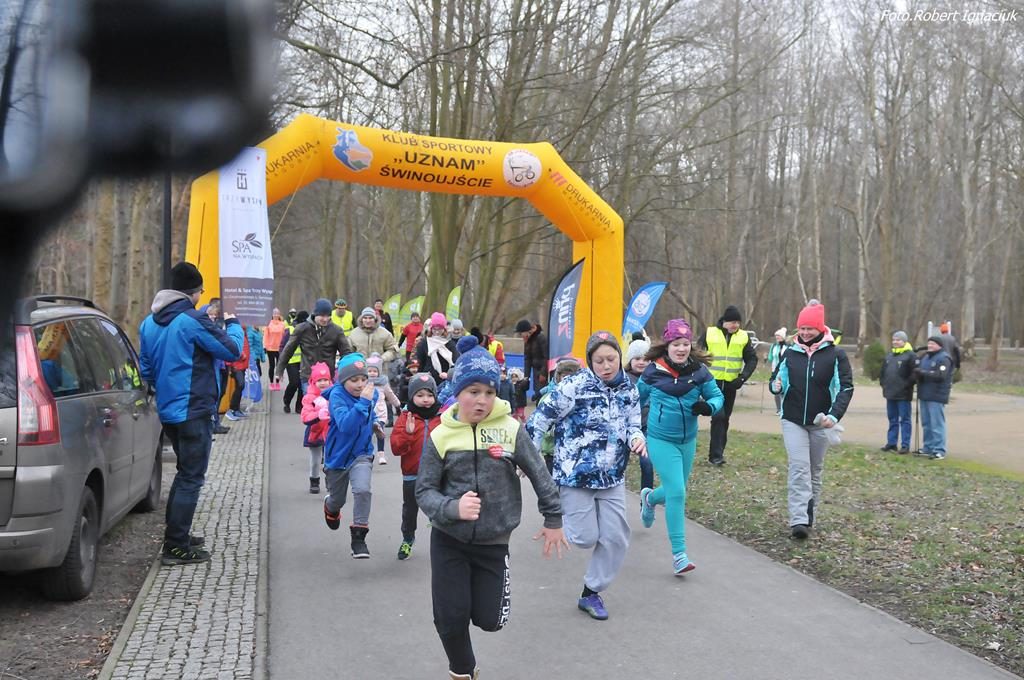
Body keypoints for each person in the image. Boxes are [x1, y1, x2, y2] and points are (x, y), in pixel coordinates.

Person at [415, 336, 567, 680]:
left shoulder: (510, 430)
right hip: (449, 538)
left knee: (490, 620)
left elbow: (539, 473)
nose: (482, 400)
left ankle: (474, 604)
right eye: (473, 391)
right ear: (458, 392)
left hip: (493, 542)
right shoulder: (441, 435)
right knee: (450, 617)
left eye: (489, 392)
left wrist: (553, 518)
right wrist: (452, 508)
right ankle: (463, 670)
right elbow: (424, 491)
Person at [527, 331, 645, 621]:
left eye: (611, 359)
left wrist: (636, 438)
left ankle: (591, 592)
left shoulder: (629, 389)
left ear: (619, 357)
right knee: (584, 537)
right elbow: (540, 418)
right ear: (590, 361)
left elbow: (633, 424)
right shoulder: (573, 386)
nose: (606, 366)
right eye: (599, 360)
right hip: (575, 476)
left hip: (612, 477)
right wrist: (528, 455)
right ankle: (558, 518)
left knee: (616, 538)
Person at [138, 262, 243, 566]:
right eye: (200, 291)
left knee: (184, 474)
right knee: (191, 478)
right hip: (194, 410)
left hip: (169, 410)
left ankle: (178, 534)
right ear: (194, 292)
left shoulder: (148, 323)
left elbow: (146, 369)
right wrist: (234, 323)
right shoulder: (192, 320)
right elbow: (232, 351)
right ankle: (175, 547)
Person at [636, 319, 724, 574]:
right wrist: (631, 430)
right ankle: (679, 555)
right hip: (660, 439)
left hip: (688, 440)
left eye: (685, 343)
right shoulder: (652, 372)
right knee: (677, 492)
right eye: (676, 344)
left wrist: (709, 407)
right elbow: (633, 401)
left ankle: (649, 498)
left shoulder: (699, 372)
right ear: (667, 345)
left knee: (676, 489)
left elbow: (717, 396)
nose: (681, 348)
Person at [769, 301, 854, 540]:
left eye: (810, 328)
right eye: (802, 328)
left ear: (820, 328)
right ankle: (798, 520)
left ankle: (809, 516)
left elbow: (846, 387)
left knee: (814, 471)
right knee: (799, 468)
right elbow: (775, 379)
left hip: (821, 421)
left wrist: (834, 415)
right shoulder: (790, 352)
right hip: (793, 419)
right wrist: (775, 386)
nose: (805, 333)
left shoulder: (836, 354)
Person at [322, 353, 380, 558]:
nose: (360, 384)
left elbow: (369, 415)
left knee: (363, 490)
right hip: (338, 457)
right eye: (354, 380)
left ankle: (359, 538)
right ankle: (330, 507)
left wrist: (376, 424)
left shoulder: (370, 394)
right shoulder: (337, 396)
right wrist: (363, 403)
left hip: (361, 454)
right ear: (343, 380)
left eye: (363, 379)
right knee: (337, 500)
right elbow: (346, 425)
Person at [389, 373, 441, 560]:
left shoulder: (442, 418)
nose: (425, 399)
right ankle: (407, 539)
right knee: (410, 512)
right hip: (412, 475)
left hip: (437, 476)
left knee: (438, 511)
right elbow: (396, 448)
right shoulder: (406, 417)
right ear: (412, 396)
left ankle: (444, 543)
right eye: (420, 395)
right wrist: (408, 434)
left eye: (429, 395)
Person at [697, 305, 757, 466]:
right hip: (712, 383)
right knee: (718, 416)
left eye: (738, 322)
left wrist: (743, 377)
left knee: (724, 419)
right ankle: (716, 456)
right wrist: (700, 375)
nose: (735, 325)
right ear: (724, 321)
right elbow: (697, 354)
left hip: (731, 384)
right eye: (732, 322)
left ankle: (718, 454)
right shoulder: (710, 333)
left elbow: (752, 359)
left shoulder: (743, 337)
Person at [276, 298, 353, 390]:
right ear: (315, 314)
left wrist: (348, 373)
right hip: (308, 377)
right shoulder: (302, 329)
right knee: (309, 399)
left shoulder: (336, 331)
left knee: (326, 399)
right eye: (322, 316)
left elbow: (346, 353)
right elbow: (288, 350)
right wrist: (279, 370)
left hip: (327, 378)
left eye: (328, 316)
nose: (325, 319)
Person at [536, 358, 583, 475]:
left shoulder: (583, 399)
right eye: (564, 376)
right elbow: (538, 424)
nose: (568, 380)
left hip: (575, 451)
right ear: (558, 377)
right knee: (553, 481)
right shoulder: (549, 398)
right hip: (552, 450)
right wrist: (552, 431)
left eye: (572, 377)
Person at [915, 336, 953, 460]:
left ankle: (939, 449)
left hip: (937, 395)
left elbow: (941, 375)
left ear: (939, 345)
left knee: (936, 424)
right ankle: (928, 447)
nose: (930, 346)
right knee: (926, 423)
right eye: (929, 343)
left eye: (933, 344)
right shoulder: (925, 357)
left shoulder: (944, 358)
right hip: (924, 394)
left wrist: (923, 373)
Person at [623, 337, 654, 495]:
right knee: (619, 464)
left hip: (646, 426)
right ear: (630, 360)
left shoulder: (655, 378)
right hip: (625, 427)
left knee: (647, 463)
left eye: (645, 359)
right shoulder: (622, 379)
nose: (641, 362)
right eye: (637, 359)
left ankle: (646, 497)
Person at [879, 331, 915, 454]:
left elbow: (914, 374)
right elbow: (883, 371)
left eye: (898, 340)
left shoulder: (910, 356)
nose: (895, 342)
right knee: (892, 419)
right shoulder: (889, 355)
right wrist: (883, 383)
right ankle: (891, 443)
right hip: (890, 392)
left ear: (904, 341)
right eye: (894, 340)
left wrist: (906, 385)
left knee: (905, 419)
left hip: (903, 394)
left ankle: (905, 445)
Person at [300, 362, 333, 494]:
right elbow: (305, 416)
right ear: (313, 381)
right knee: (316, 459)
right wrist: (318, 415)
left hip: (331, 431)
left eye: (325, 380)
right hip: (315, 430)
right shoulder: (309, 397)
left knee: (331, 458)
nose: (323, 383)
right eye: (319, 380)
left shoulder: (334, 394)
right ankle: (314, 480)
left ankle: (330, 480)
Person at [366, 354, 401, 465]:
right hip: (367, 413)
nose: (372, 373)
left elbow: (390, 395)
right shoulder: (364, 383)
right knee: (367, 434)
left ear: (379, 372)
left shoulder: (383, 383)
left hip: (380, 412)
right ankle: (368, 453)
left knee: (379, 433)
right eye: (369, 371)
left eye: (374, 371)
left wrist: (397, 404)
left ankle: (381, 454)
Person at [416, 312, 459, 385]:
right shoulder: (424, 343)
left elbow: (455, 362)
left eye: (440, 329)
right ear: (431, 329)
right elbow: (421, 363)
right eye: (434, 329)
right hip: (427, 380)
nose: (437, 332)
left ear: (444, 329)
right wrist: (420, 376)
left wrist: (448, 374)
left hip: (444, 380)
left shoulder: (450, 344)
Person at [514, 319, 548, 402]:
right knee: (537, 392)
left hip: (543, 370)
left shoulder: (540, 337)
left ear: (526, 331)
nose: (521, 336)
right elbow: (527, 359)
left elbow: (546, 356)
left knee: (542, 394)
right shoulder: (527, 341)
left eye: (521, 333)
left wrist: (543, 373)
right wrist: (526, 377)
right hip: (535, 370)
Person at [280, 311, 307, 413]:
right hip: (291, 361)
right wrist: (282, 359)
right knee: (294, 382)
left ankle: (299, 406)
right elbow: (282, 345)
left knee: (302, 385)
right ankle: (287, 401)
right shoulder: (290, 329)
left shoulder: (308, 330)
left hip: (304, 362)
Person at [224, 326, 250, 421]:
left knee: (240, 386)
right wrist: (241, 355)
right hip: (236, 364)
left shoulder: (243, 333)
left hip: (241, 365)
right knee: (240, 385)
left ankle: (236, 409)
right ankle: (232, 409)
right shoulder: (236, 332)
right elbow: (233, 347)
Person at [766, 327, 788, 415]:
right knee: (776, 388)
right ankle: (778, 409)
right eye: (776, 336)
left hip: (784, 370)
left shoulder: (787, 347)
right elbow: (770, 357)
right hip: (775, 369)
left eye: (779, 336)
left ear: (783, 337)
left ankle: (784, 407)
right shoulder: (774, 346)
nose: (777, 337)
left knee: (784, 387)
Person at [263, 308, 287, 386]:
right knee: (272, 365)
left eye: (277, 314)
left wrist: (285, 346)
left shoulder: (282, 324)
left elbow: (285, 336)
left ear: (279, 315)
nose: (276, 315)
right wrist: (264, 346)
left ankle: (277, 382)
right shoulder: (268, 324)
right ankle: (271, 382)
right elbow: (265, 336)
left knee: (279, 366)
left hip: (279, 348)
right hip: (270, 348)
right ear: (272, 315)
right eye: (274, 314)